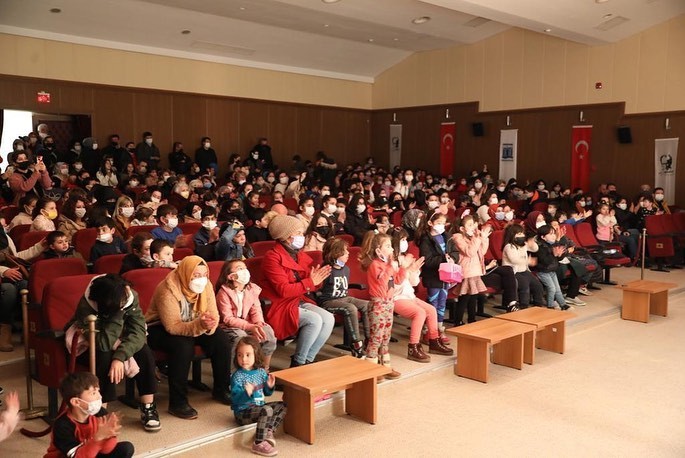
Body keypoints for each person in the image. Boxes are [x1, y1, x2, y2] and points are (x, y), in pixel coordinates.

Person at [65, 274, 161, 432]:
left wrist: (120, 357)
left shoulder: (129, 295)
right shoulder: (88, 304)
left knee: (144, 351)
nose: (128, 294)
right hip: (88, 342)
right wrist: (119, 314)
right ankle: (101, 412)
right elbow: (103, 343)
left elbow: (138, 333)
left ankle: (148, 407)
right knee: (104, 356)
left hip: (120, 338)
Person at [145, 256, 233, 419]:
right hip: (159, 328)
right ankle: (178, 403)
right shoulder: (167, 288)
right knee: (183, 346)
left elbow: (214, 314)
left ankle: (222, 389)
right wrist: (200, 325)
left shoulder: (206, 286)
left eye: (204, 274)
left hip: (193, 324)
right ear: (185, 273)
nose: (201, 279)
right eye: (196, 275)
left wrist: (210, 324)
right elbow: (173, 326)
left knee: (221, 339)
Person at [261, 215, 334, 367]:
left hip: (298, 300)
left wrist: (317, 281)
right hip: (280, 304)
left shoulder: (298, 254)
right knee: (314, 320)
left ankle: (308, 359)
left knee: (328, 318)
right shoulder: (272, 257)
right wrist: (311, 282)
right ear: (287, 236)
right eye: (299, 233)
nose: (302, 236)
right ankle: (298, 363)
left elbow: (310, 282)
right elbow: (284, 290)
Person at [391, 229, 452, 362]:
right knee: (420, 313)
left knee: (431, 310)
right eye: (402, 240)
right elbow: (395, 284)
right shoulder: (392, 262)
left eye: (406, 240)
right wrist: (406, 269)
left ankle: (434, 341)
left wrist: (414, 271)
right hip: (396, 297)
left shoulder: (405, 258)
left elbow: (413, 283)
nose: (405, 243)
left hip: (409, 296)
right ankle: (413, 346)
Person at [44, 372, 134, 458]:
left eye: (98, 391)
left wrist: (108, 436)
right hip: (73, 456)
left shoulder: (100, 413)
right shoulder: (62, 425)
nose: (99, 396)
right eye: (93, 393)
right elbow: (78, 456)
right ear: (76, 402)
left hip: (91, 452)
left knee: (126, 448)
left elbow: (106, 451)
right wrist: (97, 438)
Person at [215, 260, 277, 369]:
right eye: (239, 269)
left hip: (250, 324)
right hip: (230, 326)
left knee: (268, 333)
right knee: (240, 338)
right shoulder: (223, 292)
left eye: (245, 268)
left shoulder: (252, 289)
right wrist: (250, 326)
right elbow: (228, 319)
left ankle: (263, 369)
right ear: (231, 276)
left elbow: (256, 310)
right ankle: (233, 373)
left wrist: (258, 324)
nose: (245, 271)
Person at [230, 336, 286, 457]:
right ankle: (258, 443)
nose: (243, 359)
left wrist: (269, 386)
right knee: (267, 410)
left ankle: (269, 430)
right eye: (240, 355)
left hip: (258, 408)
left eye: (248, 355)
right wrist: (246, 393)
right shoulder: (237, 376)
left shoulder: (261, 372)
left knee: (283, 405)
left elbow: (266, 393)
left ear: (256, 354)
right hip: (242, 413)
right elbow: (234, 399)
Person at [0, 211, 46, 352]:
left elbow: (16, 257)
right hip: (3, 278)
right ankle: (4, 330)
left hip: (13, 275)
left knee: (27, 285)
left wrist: (40, 246)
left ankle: (28, 330)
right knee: (9, 290)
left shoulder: (4, 237)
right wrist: (3, 271)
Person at [317, 237, 370, 358]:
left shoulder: (346, 269)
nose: (348, 253)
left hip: (344, 298)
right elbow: (317, 289)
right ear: (335, 253)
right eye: (344, 251)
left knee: (367, 305)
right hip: (329, 301)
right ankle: (356, 345)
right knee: (350, 308)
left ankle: (369, 340)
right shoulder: (325, 269)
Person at [358, 232, 400, 379]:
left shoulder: (386, 264)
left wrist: (406, 267)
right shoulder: (375, 265)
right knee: (376, 336)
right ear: (378, 250)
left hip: (389, 303)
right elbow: (381, 281)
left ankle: (385, 366)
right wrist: (390, 266)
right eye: (388, 246)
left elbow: (397, 279)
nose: (391, 249)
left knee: (386, 336)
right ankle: (371, 369)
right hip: (378, 304)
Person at [451, 215, 491, 325]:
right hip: (466, 271)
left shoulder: (473, 236)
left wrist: (484, 238)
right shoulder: (458, 237)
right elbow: (470, 252)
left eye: (474, 224)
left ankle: (472, 319)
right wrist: (477, 238)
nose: (473, 227)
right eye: (469, 225)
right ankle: (457, 321)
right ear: (462, 228)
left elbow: (481, 252)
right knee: (465, 297)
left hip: (475, 270)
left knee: (473, 296)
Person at [417, 209, 452, 334]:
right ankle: (429, 328)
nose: (441, 225)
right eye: (439, 222)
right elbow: (427, 260)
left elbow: (454, 252)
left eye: (443, 223)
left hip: (445, 276)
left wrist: (453, 258)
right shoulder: (426, 239)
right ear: (430, 223)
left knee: (443, 301)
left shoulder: (446, 236)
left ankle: (439, 326)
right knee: (433, 302)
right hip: (433, 276)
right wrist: (443, 258)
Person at [501, 224, 544, 308]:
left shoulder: (523, 245)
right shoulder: (509, 246)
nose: (522, 235)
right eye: (519, 233)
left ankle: (538, 305)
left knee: (538, 286)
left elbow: (535, 249)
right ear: (512, 235)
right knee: (524, 285)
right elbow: (514, 260)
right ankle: (524, 307)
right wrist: (527, 261)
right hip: (513, 272)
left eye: (522, 233)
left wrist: (532, 243)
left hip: (524, 271)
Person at [534, 225, 573, 311]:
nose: (553, 236)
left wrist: (559, 255)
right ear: (543, 237)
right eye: (550, 234)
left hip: (552, 270)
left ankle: (563, 304)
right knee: (552, 289)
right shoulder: (540, 248)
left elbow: (558, 258)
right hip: (543, 271)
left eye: (554, 234)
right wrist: (554, 255)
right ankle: (550, 305)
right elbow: (545, 261)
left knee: (558, 289)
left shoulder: (552, 245)